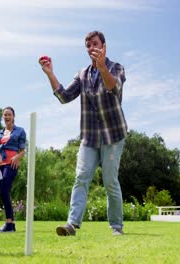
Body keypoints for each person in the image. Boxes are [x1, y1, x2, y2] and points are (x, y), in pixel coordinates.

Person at [38, 31, 127, 236]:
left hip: (113, 135)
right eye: (88, 45)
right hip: (89, 137)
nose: (91, 48)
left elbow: (114, 87)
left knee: (110, 180)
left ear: (104, 46)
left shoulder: (117, 68)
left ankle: (116, 227)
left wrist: (102, 66)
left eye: (95, 44)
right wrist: (50, 73)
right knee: (81, 177)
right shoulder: (82, 74)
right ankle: (71, 224)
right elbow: (64, 96)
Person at [0, 106, 26, 232]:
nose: (7, 117)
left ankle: (9, 222)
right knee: (3, 192)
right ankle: (11, 224)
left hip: (11, 164)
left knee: (4, 189)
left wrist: (17, 157)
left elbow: (23, 151)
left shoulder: (20, 131)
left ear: (13, 116)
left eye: (9, 114)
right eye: (5, 115)